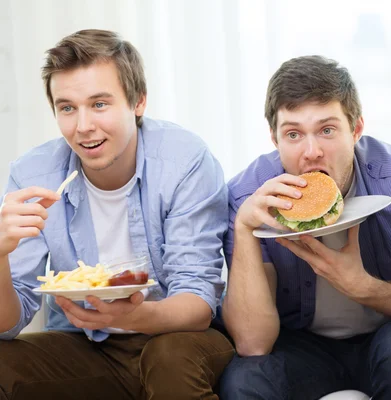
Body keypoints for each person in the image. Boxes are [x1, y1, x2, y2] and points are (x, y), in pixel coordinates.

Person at [0, 29, 233, 399]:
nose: (83, 126)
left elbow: (198, 301)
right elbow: (8, 326)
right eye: (67, 108)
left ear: (138, 102)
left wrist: (131, 317)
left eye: (99, 104)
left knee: (169, 357)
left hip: (179, 336)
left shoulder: (184, 160)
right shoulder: (32, 175)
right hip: (88, 344)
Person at [218, 55, 391, 400]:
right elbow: (253, 343)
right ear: (274, 139)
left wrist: (364, 288)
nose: (311, 152)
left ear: (356, 129)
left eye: (327, 130)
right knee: (244, 379)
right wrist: (245, 228)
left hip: (389, 333)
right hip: (301, 344)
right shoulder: (248, 197)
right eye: (293, 134)